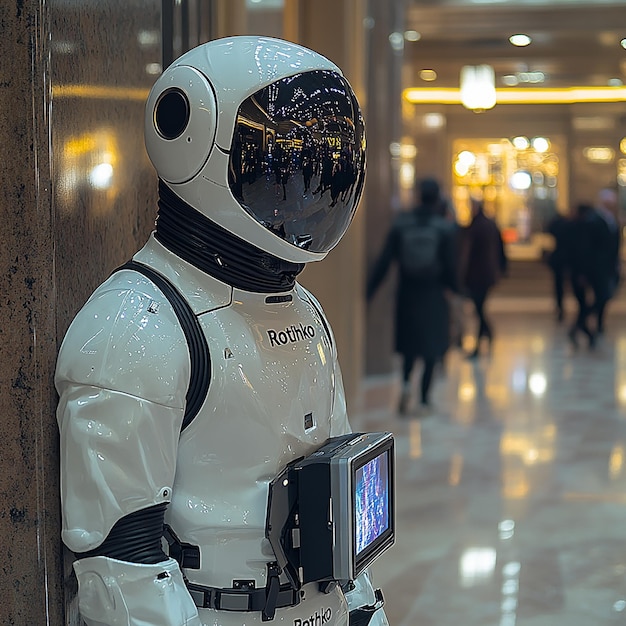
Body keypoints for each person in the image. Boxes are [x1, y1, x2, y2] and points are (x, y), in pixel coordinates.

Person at [55, 36, 389, 626]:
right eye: (283, 168)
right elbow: (122, 570)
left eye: (322, 173)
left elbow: (339, 491)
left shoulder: (303, 311)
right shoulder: (138, 326)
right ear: (192, 136)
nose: (306, 197)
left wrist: (362, 608)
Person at [367, 177, 458, 415]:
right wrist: (457, 291)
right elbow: (451, 267)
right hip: (433, 293)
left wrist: (370, 290)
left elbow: (385, 261)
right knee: (431, 348)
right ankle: (425, 398)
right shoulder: (444, 227)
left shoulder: (402, 224)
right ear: (438, 197)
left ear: (418, 195)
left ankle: (406, 383)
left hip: (407, 293)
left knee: (409, 346)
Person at [460, 197, 507, 359]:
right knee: (479, 308)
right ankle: (486, 334)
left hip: (478, 274)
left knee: (479, 309)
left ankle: (483, 340)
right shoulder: (488, 225)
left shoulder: (478, 227)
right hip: (485, 273)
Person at [566, 202, 611, 349]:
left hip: (586, 271)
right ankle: (584, 331)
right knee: (586, 304)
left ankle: (581, 329)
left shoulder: (587, 225)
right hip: (582, 271)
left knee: (591, 303)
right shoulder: (581, 226)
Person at [593, 187, 621, 333]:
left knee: (606, 295)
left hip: (609, 266)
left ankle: (597, 321)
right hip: (599, 266)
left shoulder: (613, 220)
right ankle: (590, 320)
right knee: (601, 295)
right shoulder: (595, 220)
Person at [545, 211, 572, 322]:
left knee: (559, 285)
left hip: (562, 259)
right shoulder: (569, 227)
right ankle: (560, 307)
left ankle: (560, 307)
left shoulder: (560, 227)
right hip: (566, 259)